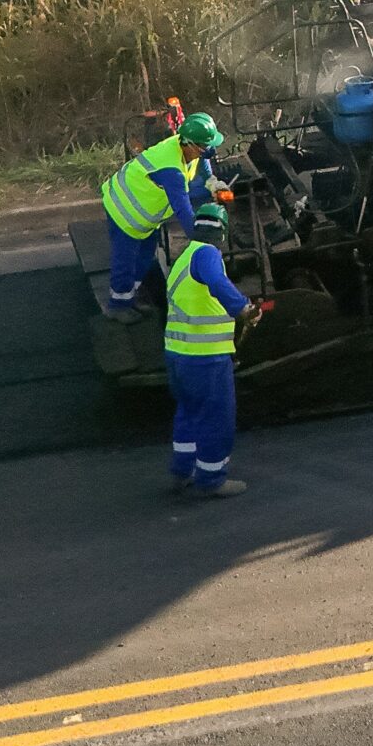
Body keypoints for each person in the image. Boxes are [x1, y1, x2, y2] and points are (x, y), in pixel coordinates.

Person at [165, 203, 258, 498]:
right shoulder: (207, 254)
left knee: (189, 412)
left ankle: (184, 470)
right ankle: (212, 478)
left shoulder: (183, 258)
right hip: (205, 357)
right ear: (223, 233)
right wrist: (243, 308)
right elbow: (217, 283)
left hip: (178, 354)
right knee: (217, 416)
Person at [101, 112, 227, 319]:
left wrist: (211, 181)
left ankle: (129, 296)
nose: (210, 150)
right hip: (123, 211)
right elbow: (183, 210)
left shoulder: (185, 147)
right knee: (126, 258)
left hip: (144, 213)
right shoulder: (172, 171)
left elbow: (203, 165)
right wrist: (199, 241)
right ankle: (117, 307)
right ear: (190, 144)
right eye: (206, 145)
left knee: (145, 254)